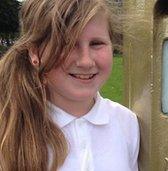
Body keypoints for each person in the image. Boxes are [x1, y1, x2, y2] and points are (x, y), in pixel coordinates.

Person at [0, 0, 139, 170]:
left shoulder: (127, 122)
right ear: (34, 52)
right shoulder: (7, 129)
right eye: (68, 44)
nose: (86, 62)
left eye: (96, 43)